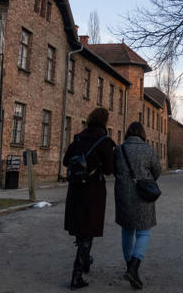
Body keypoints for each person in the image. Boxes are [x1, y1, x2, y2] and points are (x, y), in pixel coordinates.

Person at [62, 107, 116, 290]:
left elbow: (66, 160)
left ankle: (85, 260)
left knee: (80, 225)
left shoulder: (78, 137)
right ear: (104, 121)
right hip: (93, 191)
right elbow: (109, 169)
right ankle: (77, 274)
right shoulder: (104, 140)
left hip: (75, 189)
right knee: (89, 228)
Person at [114, 122, 161, 290]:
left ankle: (129, 266)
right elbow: (157, 171)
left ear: (127, 134)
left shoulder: (119, 150)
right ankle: (134, 267)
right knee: (143, 232)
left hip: (124, 196)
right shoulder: (148, 150)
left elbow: (114, 170)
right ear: (142, 134)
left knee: (127, 230)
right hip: (143, 197)